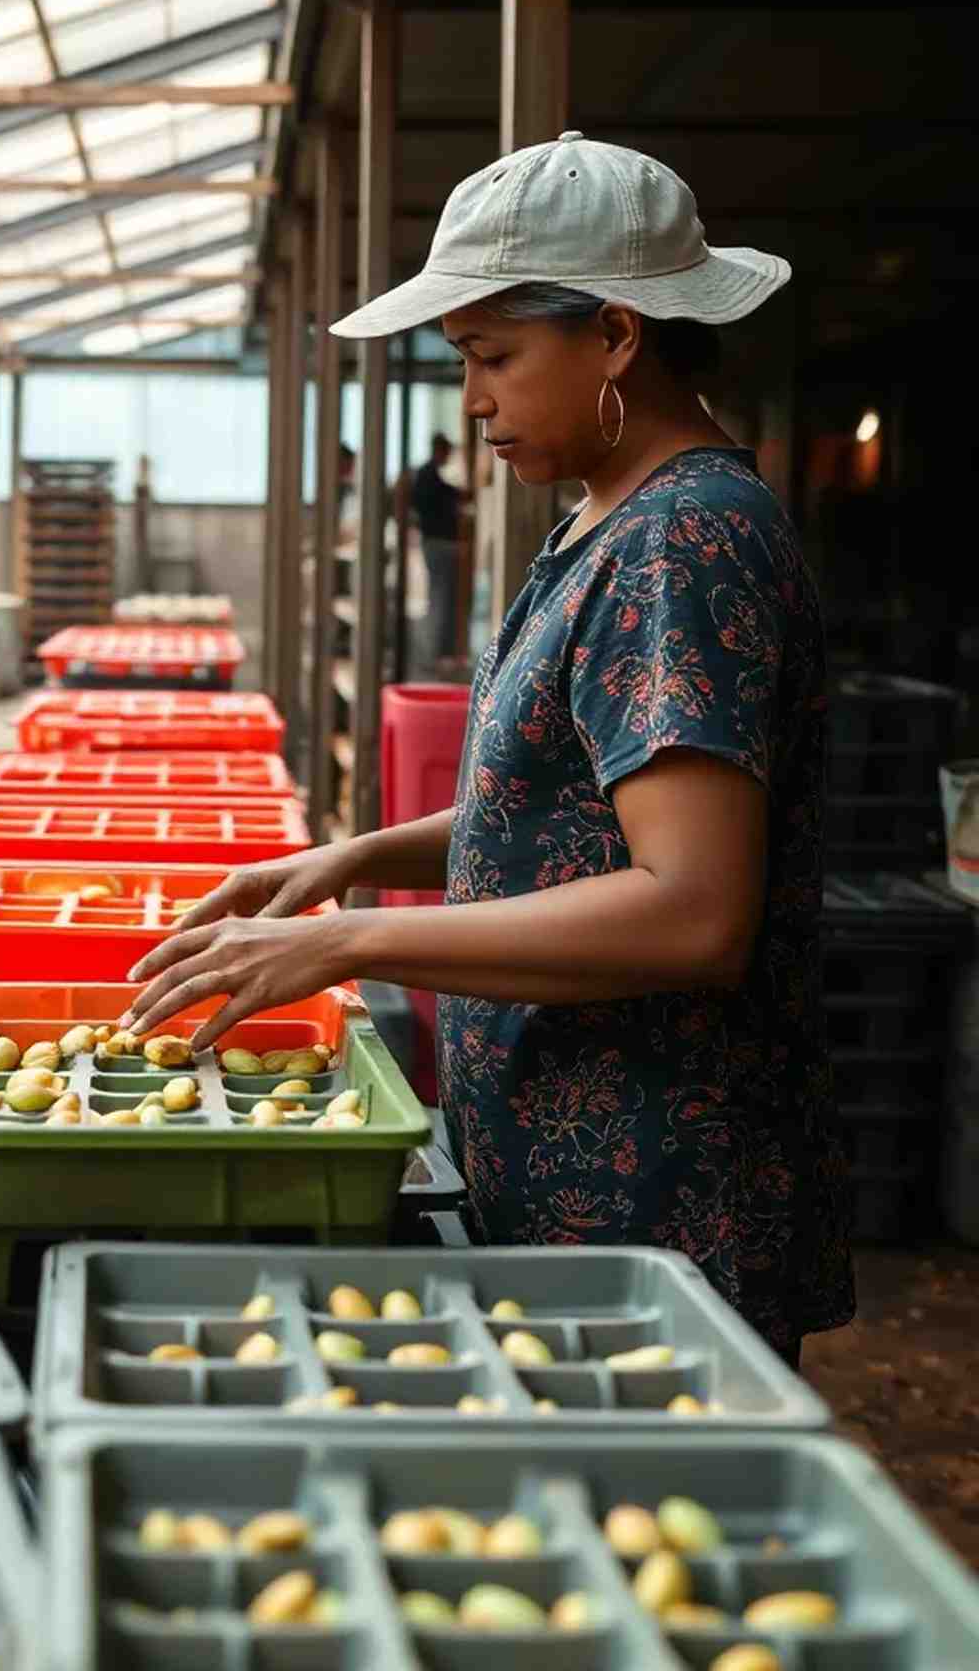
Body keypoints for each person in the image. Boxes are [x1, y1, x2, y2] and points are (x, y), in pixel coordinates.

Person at [123, 132, 850, 1364]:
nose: (472, 401)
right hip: (564, 1151)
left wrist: (346, 939)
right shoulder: (604, 519)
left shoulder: (684, 543)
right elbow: (570, 812)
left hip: (657, 1188)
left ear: (618, 336)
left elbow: (691, 910)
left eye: (493, 357)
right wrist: (359, 859)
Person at [409, 431, 465, 667]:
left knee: (439, 596)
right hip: (438, 543)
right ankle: (433, 654)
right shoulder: (428, 477)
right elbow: (445, 496)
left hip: (435, 543)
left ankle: (437, 653)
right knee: (440, 597)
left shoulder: (428, 476)